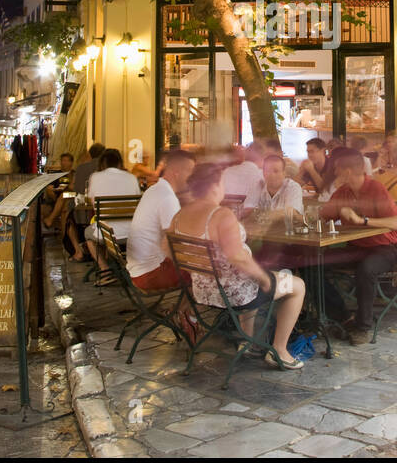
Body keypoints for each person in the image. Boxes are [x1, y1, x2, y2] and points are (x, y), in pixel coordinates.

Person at [170, 163, 308, 369]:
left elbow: (169, 250)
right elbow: (238, 257)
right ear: (215, 185)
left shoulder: (179, 216)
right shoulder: (220, 215)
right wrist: (263, 279)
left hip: (204, 292)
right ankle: (280, 350)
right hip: (238, 294)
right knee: (297, 285)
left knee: (248, 277)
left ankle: (249, 341)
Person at [318, 148, 397, 345]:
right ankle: (342, 317)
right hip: (355, 247)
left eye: (337, 170)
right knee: (313, 262)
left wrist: (361, 220)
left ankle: (363, 327)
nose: (334, 174)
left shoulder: (376, 189)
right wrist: (306, 217)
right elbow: (323, 216)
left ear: (347, 172)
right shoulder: (342, 192)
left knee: (366, 269)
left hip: (384, 249)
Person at [128, 149, 196, 290]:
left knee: (201, 265)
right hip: (150, 274)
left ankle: (183, 310)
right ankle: (184, 311)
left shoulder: (156, 189)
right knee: (207, 270)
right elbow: (177, 242)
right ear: (176, 172)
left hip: (138, 269)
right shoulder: (167, 197)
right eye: (190, 171)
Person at [84, 149, 143, 285]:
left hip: (106, 233)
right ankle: (120, 266)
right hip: (131, 232)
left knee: (88, 233)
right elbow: (136, 200)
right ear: (119, 162)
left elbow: (92, 202)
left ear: (102, 162)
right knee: (100, 227)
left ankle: (105, 270)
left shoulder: (95, 176)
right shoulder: (131, 177)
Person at [244, 154, 305, 224]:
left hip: (287, 232)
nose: (272, 175)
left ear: (284, 173)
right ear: (263, 173)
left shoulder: (293, 187)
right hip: (261, 231)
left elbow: (291, 213)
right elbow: (247, 211)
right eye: (268, 171)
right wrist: (277, 214)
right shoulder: (258, 185)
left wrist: (259, 214)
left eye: (276, 171)